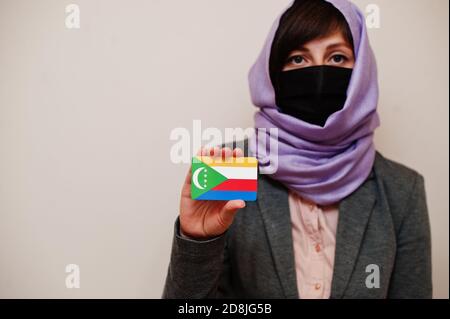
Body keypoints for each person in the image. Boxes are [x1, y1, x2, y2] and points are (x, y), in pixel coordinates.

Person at [163, 0, 432, 299]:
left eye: (338, 57)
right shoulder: (227, 168)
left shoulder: (402, 190)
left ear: (362, 74)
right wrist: (197, 242)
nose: (318, 73)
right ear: (273, 74)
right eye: (298, 59)